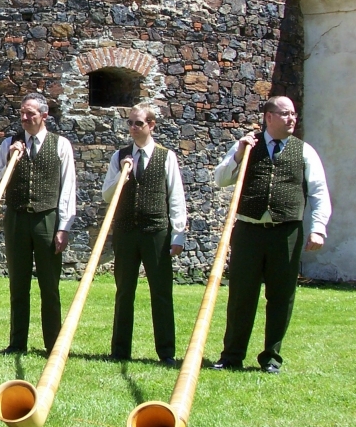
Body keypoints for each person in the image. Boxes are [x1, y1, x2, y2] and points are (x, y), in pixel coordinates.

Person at [212, 96, 331, 374]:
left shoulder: (305, 151)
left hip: (287, 232)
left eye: (294, 114)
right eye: (286, 113)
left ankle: (271, 358)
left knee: (281, 295)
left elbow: (319, 192)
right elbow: (220, 179)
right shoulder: (247, 145)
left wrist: (318, 228)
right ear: (269, 117)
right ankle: (231, 356)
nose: (292, 119)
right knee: (241, 295)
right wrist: (238, 155)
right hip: (248, 231)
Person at [0, 92, 76, 355]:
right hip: (16, 218)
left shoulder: (61, 145)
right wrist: (10, 161)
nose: (24, 118)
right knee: (18, 283)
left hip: (46, 218)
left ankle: (53, 345)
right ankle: (17, 343)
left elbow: (68, 188)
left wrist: (64, 227)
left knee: (49, 285)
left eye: (30, 113)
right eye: (22, 113)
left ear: (44, 116)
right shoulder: (9, 144)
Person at [102, 104, 187, 366]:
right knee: (124, 291)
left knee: (161, 292)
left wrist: (178, 234)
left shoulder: (166, 157)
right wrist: (122, 174)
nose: (133, 128)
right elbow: (107, 195)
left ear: (151, 125)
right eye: (130, 123)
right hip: (126, 231)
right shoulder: (120, 156)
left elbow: (176, 196)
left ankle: (166, 352)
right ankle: (120, 350)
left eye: (138, 123)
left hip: (156, 231)